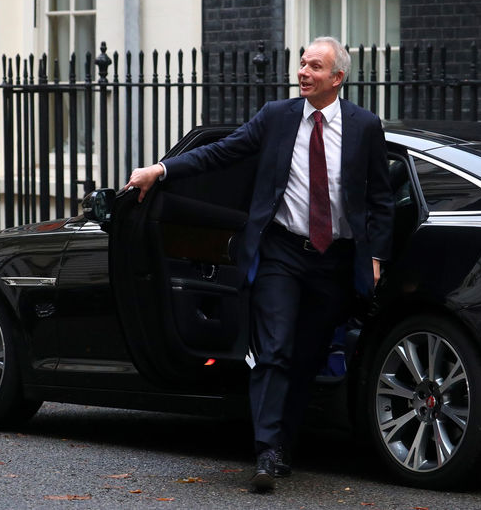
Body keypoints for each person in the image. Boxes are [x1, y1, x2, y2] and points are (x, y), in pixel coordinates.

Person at [124, 36, 394, 492]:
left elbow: (381, 198)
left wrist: (375, 258)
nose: (303, 72)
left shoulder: (364, 126)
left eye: (314, 66)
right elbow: (221, 151)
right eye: (302, 63)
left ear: (338, 78)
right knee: (273, 351)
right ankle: (266, 452)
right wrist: (161, 170)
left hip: (335, 259)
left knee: (306, 357)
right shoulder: (277, 117)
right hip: (281, 253)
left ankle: (284, 443)